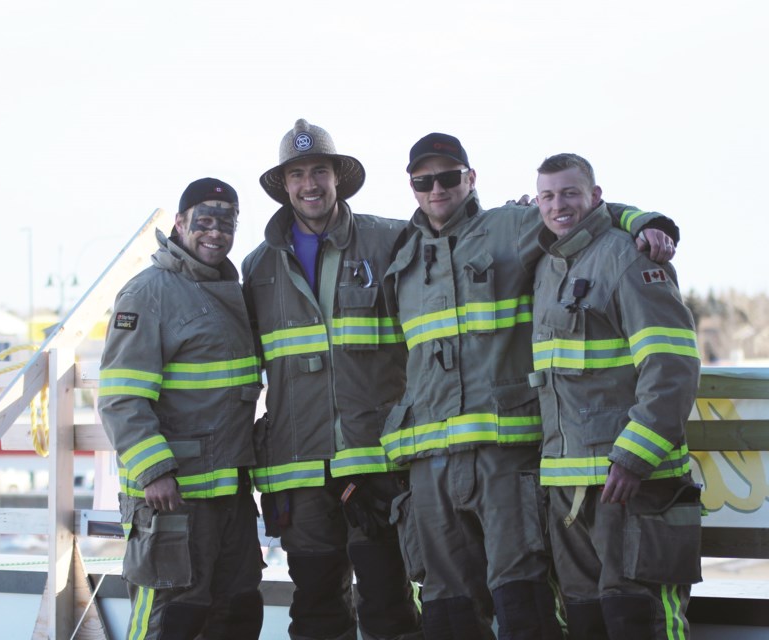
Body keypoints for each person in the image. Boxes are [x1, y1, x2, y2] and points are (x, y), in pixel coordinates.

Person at [379, 133, 678, 639]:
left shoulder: (512, 225)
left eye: (448, 176)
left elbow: (577, 213)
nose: (436, 189)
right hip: (430, 466)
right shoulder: (403, 254)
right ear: (411, 186)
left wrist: (645, 221)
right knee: (446, 611)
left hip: (506, 459)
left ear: (469, 178)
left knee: (523, 603)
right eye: (423, 181)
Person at [242, 119, 423, 640]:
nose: (309, 184)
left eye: (319, 170)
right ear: (285, 186)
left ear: (338, 177)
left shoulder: (390, 240)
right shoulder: (257, 268)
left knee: (389, 603)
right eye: (297, 174)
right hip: (298, 471)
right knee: (317, 609)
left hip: (377, 462)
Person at [530, 153, 702, 639]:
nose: (558, 205)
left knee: (641, 620)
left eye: (570, 193)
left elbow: (671, 367)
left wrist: (633, 457)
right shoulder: (547, 268)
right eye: (547, 195)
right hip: (569, 490)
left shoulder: (630, 257)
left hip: (632, 486)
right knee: (586, 621)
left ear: (597, 196)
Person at [98, 178, 264, 640]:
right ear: (179, 223)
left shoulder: (229, 289)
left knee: (235, 614)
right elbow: (120, 396)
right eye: (203, 222)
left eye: (225, 224)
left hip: (228, 495)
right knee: (170, 620)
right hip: (171, 500)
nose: (215, 233)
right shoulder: (148, 293)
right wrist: (153, 471)